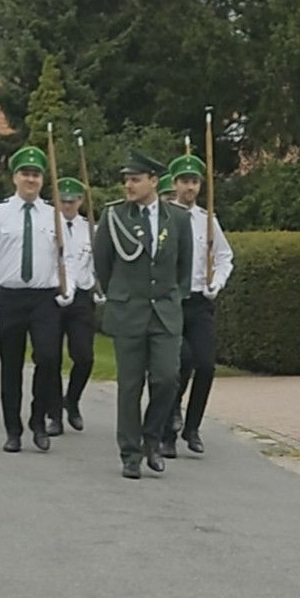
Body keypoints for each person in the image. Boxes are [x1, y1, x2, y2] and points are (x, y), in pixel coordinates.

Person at [93, 151, 192, 479]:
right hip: (128, 311)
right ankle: (130, 453)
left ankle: (152, 438)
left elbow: (184, 268)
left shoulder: (176, 218)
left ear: (154, 181)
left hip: (164, 312)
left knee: (167, 379)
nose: (128, 185)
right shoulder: (115, 216)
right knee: (130, 385)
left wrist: (172, 298)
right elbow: (103, 265)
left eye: (135, 179)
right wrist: (121, 295)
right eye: (126, 179)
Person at [0, 145, 74, 454]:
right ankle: (12, 429)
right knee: (11, 365)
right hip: (10, 297)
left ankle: (38, 420)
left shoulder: (53, 215)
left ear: (43, 180)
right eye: (25, 174)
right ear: (14, 177)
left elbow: (67, 257)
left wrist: (69, 287)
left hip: (44, 299)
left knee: (48, 358)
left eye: (36, 174)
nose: (31, 179)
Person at [161, 153, 233, 458]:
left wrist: (218, 282)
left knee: (205, 364)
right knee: (180, 361)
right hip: (172, 302)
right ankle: (166, 430)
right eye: (185, 182)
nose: (190, 187)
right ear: (175, 184)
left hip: (199, 301)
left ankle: (192, 427)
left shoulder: (208, 220)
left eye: (195, 182)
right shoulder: (163, 218)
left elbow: (224, 257)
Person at [46, 177, 104, 436]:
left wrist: (100, 287)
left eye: (73, 201)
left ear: (80, 201)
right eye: (64, 201)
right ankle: (54, 414)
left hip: (81, 297)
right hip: (53, 294)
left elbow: (101, 262)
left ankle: (73, 399)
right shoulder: (47, 225)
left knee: (84, 356)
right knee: (51, 358)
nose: (68, 205)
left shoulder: (92, 228)